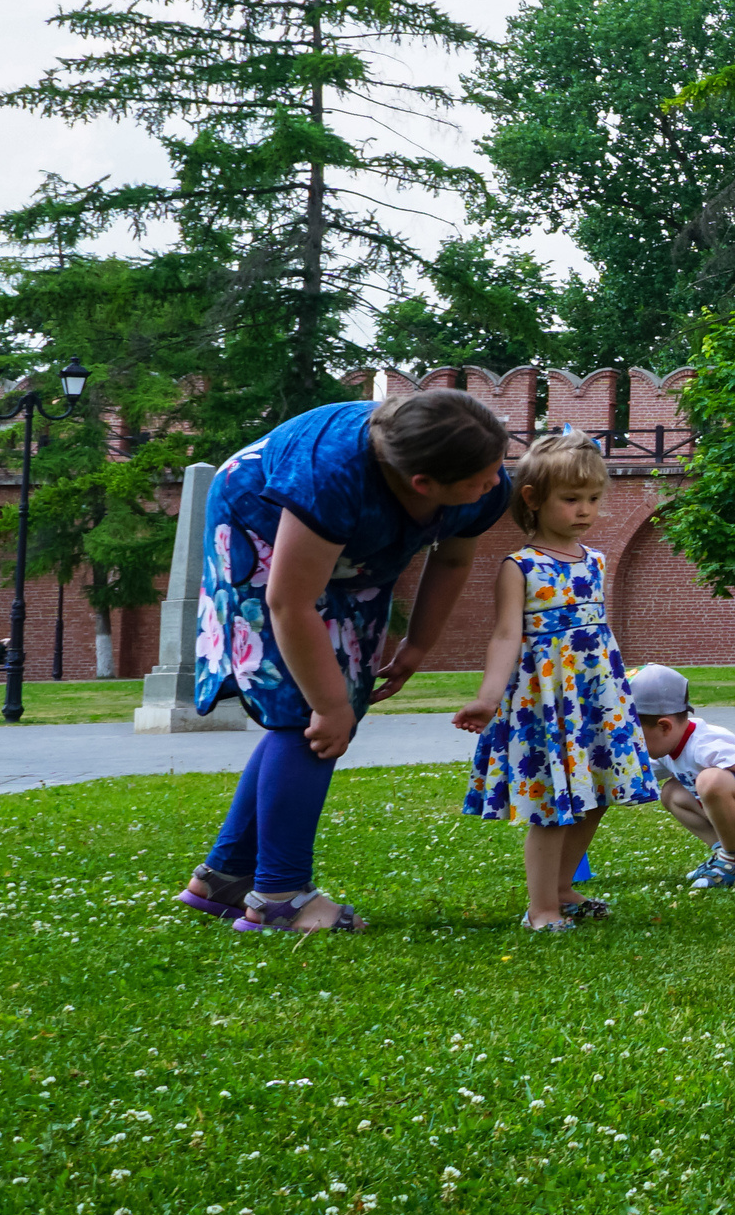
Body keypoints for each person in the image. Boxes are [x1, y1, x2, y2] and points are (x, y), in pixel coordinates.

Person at [175, 390, 511, 934]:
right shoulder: (330, 474)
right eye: (483, 477)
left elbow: (452, 559)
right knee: (306, 711)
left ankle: (227, 877)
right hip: (259, 522)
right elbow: (289, 602)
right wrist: (330, 707)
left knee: (329, 701)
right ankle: (280, 897)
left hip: (353, 550)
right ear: (423, 484)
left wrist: (417, 646)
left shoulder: (480, 478)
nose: (497, 483)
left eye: (498, 466)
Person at [453, 430, 657, 930]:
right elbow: (506, 636)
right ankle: (540, 908)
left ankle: (564, 890)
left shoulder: (596, 561)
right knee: (552, 804)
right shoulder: (520, 567)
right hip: (546, 702)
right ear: (533, 498)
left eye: (593, 498)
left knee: (598, 794)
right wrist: (487, 698)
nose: (585, 510)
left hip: (596, 697)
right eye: (571, 499)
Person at [628, 664, 735, 888]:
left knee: (709, 780)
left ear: (664, 727)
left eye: (635, 737)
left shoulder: (704, 744)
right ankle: (727, 855)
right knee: (671, 792)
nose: (633, 746)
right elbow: (634, 778)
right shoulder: (667, 747)